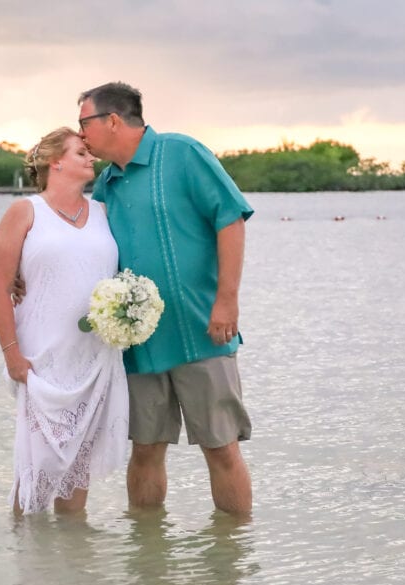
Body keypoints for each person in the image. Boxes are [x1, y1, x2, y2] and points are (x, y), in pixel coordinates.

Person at [76, 82, 254, 517]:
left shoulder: (183, 153)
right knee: (145, 448)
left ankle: (231, 564)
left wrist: (227, 301)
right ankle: (149, 565)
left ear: (112, 120)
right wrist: (22, 277)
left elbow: (230, 219)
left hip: (201, 329)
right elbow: (77, 243)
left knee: (221, 448)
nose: (81, 135)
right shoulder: (106, 185)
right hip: (139, 341)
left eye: (85, 124)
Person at [0, 127, 129, 515]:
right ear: (57, 162)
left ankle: (71, 564)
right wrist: (12, 356)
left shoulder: (102, 211)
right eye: (81, 152)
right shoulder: (25, 211)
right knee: (36, 470)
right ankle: (25, 561)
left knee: (76, 471)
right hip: (42, 357)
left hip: (95, 356)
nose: (91, 158)